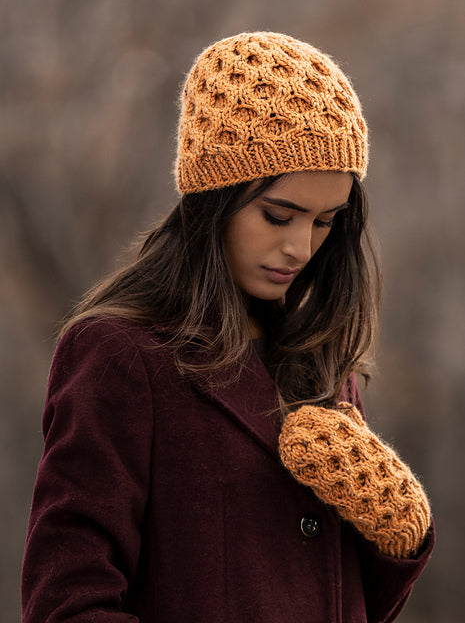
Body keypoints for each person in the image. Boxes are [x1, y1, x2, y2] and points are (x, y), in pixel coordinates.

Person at [22, 31, 434, 623]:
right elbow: (67, 601)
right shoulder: (120, 353)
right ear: (214, 198)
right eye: (279, 216)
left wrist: (398, 537)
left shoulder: (317, 362)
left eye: (325, 222)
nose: (300, 248)